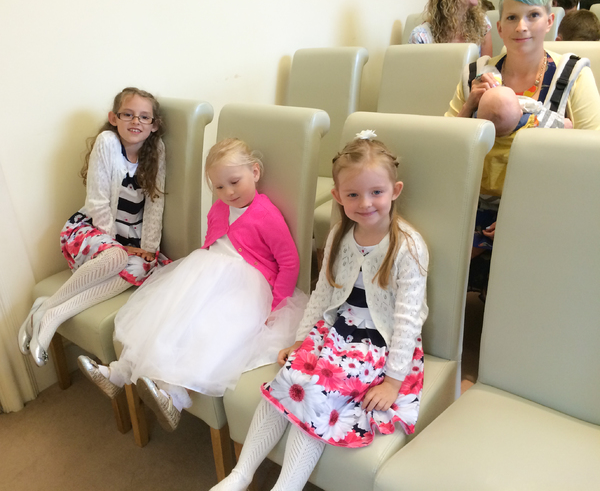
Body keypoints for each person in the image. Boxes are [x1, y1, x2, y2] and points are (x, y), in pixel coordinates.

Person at [211, 131, 429, 491]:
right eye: (353, 195)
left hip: (379, 342)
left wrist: (393, 381)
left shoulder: (408, 246)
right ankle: (241, 474)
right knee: (287, 380)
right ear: (338, 196)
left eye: (376, 192)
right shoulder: (340, 235)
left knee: (315, 392)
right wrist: (302, 340)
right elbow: (323, 292)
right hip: (337, 329)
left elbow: (406, 321)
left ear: (395, 190)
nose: (365, 203)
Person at [79, 138, 306, 432]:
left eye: (234, 182)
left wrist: (276, 304)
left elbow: (289, 262)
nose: (228, 192)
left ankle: (175, 395)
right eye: (219, 187)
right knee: (169, 315)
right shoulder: (219, 209)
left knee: (207, 331)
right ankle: (120, 372)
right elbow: (211, 244)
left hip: (247, 285)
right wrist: (197, 281)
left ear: (255, 172)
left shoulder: (266, 214)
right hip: (206, 273)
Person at [446, 0, 600, 295]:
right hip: (475, 202)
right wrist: (469, 105)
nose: (522, 27)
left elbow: (592, 159)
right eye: (512, 17)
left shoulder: (574, 76)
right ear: (499, 27)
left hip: (546, 204)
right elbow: (447, 147)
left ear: (550, 21)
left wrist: (525, 212)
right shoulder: (476, 75)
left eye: (533, 16)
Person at [18, 87, 169, 367]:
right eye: (128, 114)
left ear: (154, 125)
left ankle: (49, 311)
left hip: (132, 238)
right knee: (115, 257)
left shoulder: (156, 150)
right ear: (114, 118)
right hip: (93, 230)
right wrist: (114, 244)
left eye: (144, 117)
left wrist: (148, 248)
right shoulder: (107, 142)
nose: (136, 121)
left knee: (144, 266)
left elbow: (155, 203)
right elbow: (97, 201)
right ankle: (49, 312)